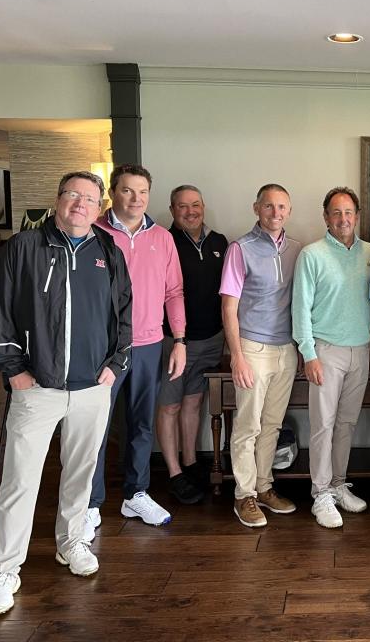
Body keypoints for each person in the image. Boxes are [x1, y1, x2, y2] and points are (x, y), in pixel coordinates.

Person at [0, 171, 132, 615]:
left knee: (81, 474)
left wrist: (115, 365)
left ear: (99, 205)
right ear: (58, 199)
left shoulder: (108, 251)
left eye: (89, 198)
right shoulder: (23, 248)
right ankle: (5, 570)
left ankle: (72, 542)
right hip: (37, 388)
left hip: (92, 388)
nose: (80, 204)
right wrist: (16, 372)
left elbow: (125, 313)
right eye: (73, 196)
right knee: (20, 482)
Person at [86, 165, 187, 538]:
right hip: (102, 349)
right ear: (113, 193)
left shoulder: (162, 238)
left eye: (142, 192)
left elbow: (174, 292)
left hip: (148, 344)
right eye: (127, 191)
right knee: (95, 427)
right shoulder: (93, 232)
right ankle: (90, 502)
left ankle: (136, 492)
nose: (135, 198)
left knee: (142, 423)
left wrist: (178, 340)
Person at [292, 187, 370, 528]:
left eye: (349, 213)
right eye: (336, 213)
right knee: (323, 425)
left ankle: (339, 484)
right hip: (325, 352)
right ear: (326, 217)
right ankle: (320, 493)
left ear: (357, 216)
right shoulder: (311, 255)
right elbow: (300, 309)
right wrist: (308, 353)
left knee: (346, 424)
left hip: (361, 350)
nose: (343, 219)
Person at [220, 183, 302, 528]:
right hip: (252, 348)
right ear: (257, 208)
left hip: (287, 349)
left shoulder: (298, 249)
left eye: (282, 207)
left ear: (289, 211)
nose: (275, 213)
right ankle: (244, 495)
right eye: (269, 206)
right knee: (248, 426)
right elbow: (229, 305)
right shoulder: (241, 248)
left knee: (271, 426)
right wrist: (236, 356)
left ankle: (264, 487)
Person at [156, 185, 229, 505]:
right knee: (170, 405)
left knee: (193, 403)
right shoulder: (163, 241)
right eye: (182, 207)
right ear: (172, 210)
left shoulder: (219, 242)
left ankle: (189, 463)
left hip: (211, 338)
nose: (190, 212)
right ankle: (174, 473)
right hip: (173, 341)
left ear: (204, 206)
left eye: (195, 205)